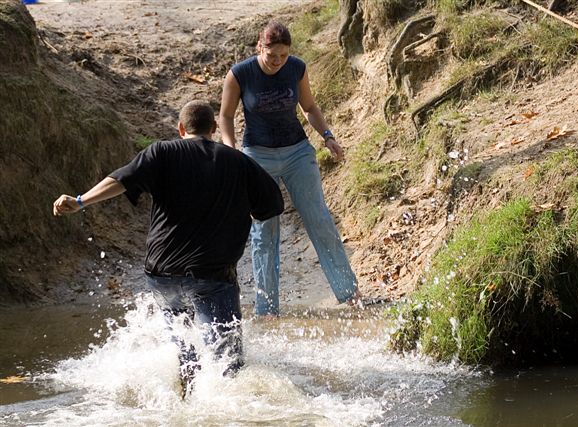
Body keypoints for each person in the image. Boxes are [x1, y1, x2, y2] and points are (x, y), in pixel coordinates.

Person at [52, 100, 284, 397]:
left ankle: (184, 397)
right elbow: (272, 204)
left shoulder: (161, 151)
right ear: (214, 129)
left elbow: (121, 179)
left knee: (186, 350)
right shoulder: (236, 161)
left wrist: (80, 201)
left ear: (180, 128)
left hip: (162, 273)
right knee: (228, 360)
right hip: (212, 275)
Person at [219, 20, 361, 317]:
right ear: (261, 47)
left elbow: (309, 107)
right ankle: (266, 309)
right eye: (273, 56)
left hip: (297, 152)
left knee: (320, 219)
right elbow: (226, 117)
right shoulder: (240, 74)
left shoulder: (297, 68)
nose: (278, 62)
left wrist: (328, 137)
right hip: (257, 157)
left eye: (284, 56)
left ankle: (350, 294)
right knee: (264, 232)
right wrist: (231, 150)